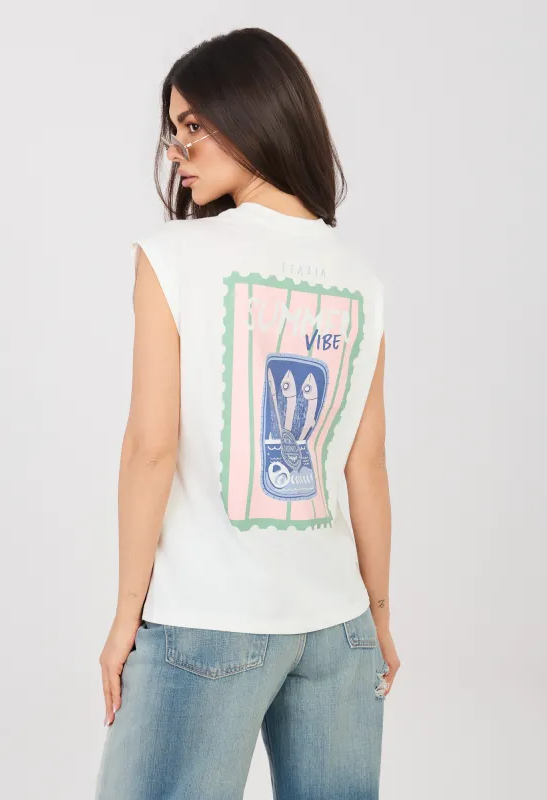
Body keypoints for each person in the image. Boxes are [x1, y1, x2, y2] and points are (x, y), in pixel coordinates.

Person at [95, 26, 400, 800]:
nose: (176, 148)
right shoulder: (360, 280)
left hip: (207, 619)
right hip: (336, 628)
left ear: (255, 112)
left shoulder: (173, 257)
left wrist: (127, 618)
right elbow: (366, 466)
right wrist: (378, 615)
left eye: (194, 124)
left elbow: (150, 447)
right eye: (173, 128)